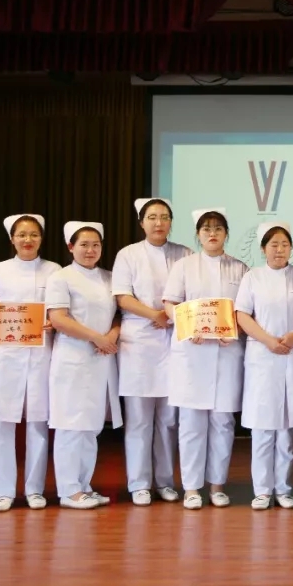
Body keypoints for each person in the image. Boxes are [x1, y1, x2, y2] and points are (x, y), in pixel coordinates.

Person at [0, 214, 61, 512]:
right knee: (2, 425)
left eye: (34, 234)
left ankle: (35, 489)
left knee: (38, 424)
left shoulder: (54, 271)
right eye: (21, 234)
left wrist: (53, 322)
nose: (28, 240)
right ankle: (4, 491)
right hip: (4, 357)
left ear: (41, 238)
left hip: (40, 355)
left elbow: (61, 311)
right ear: (12, 239)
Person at [162, 208, 248, 510]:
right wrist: (188, 326)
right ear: (198, 235)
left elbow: (246, 310)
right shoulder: (184, 266)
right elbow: (170, 303)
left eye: (218, 228)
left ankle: (217, 485)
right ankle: (191, 488)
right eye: (206, 229)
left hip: (226, 352)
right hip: (193, 353)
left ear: (226, 234)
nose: (212, 233)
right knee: (191, 423)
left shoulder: (240, 268)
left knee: (223, 422)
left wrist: (235, 329)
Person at [112, 198, 191, 506]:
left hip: (175, 342)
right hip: (139, 344)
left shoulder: (185, 254)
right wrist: (155, 315)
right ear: (141, 222)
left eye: (165, 217)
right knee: (139, 419)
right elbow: (122, 297)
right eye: (152, 217)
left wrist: (171, 318)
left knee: (169, 420)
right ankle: (139, 483)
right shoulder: (128, 254)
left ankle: (165, 481)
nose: (159, 223)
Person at [236, 222, 293, 511]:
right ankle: (261, 491)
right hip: (262, 356)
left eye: (284, 244)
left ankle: (283, 489)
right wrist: (269, 340)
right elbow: (242, 315)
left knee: (287, 431)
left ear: (291, 248)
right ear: (263, 249)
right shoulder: (252, 277)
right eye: (273, 244)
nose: (279, 249)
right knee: (262, 428)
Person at [46, 222, 124, 510]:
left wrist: (111, 335)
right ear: (71, 247)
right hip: (73, 357)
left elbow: (119, 315)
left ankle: (84, 486)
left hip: (101, 359)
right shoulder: (61, 277)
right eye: (84, 245)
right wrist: (96, 338)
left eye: (96, 245)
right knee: (70, 425)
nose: (90, 250)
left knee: (91, 427)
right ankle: (68, 490)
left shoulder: (109, 278)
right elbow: (58, 318)